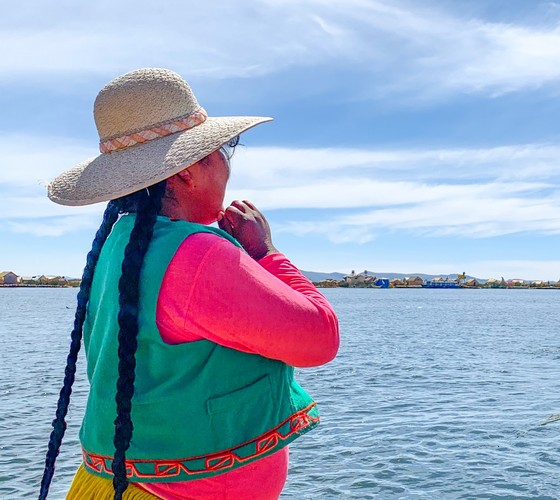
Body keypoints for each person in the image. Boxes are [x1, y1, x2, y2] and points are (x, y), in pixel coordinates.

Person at [39, 68, 340, 500]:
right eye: (225, 149)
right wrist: (265, 252)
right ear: (186, 172)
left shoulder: (119, 243)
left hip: (115, 484)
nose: (228, 164)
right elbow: (319, 338)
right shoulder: (198, 253)